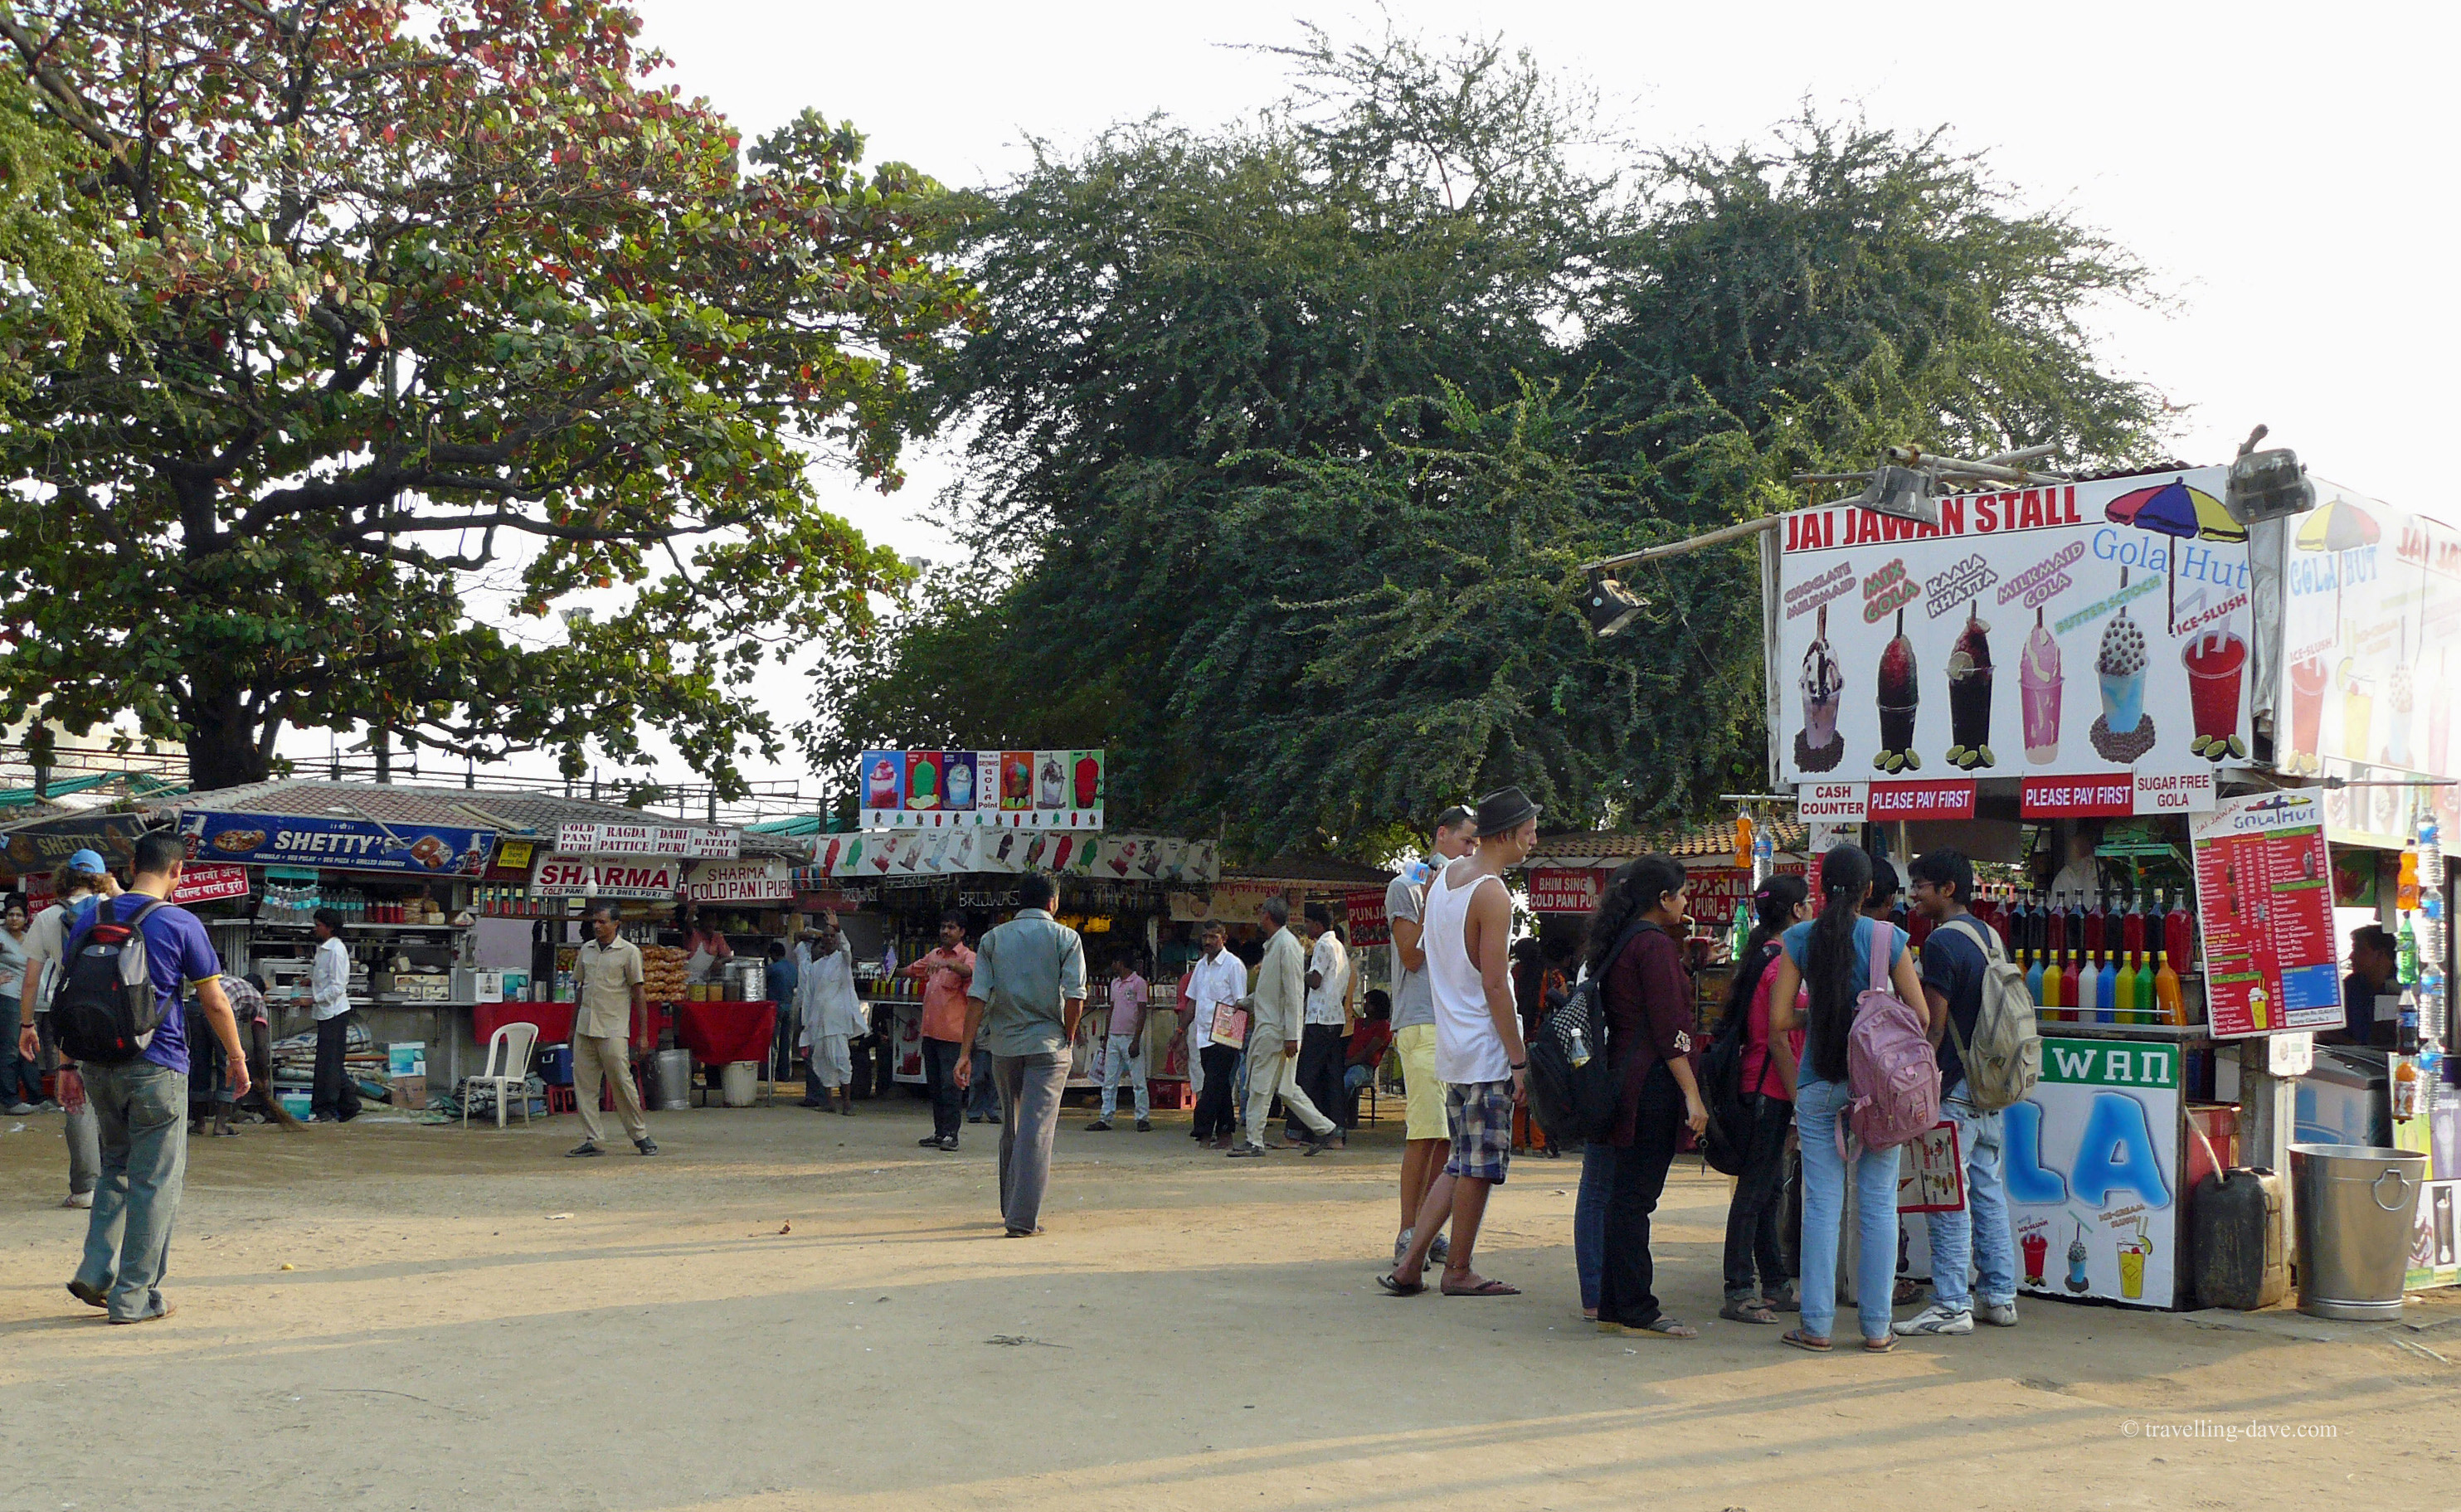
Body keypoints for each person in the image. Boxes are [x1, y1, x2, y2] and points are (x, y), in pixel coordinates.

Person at [32, 829, 247, 1323]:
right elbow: (214, 1000)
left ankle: (94, 1269)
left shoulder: (91, 915)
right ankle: (133, 1298)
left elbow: (69, 991)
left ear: (130, 865)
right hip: (158, 1066)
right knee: (155, 1182)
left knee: (116, 1170)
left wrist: (67, 1066)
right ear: (177, 872)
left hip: (98, 1066)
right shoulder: (181, 922)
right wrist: (237, 1059)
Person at [1767, 844, 1934, 1353]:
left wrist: (1817, 1017)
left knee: (1820, 1204)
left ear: (1820, 889)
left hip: (1819, 1084)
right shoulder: (1889, 938)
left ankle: (1816, 1326)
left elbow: (1778, 1022)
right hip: (1878, 1089)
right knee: (1879, 1202)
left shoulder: (1798, 938)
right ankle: (1877, 1328)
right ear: (1868, 891)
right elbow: (1921, 1016)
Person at [1384, 786, 1539, 1297]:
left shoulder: (1445, 878)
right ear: (1506, 835)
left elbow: (1436, 952)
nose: (1533, 840)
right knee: (1478, 1165)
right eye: (1528, 832)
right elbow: (1496, 984)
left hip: (1452, 1043)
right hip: (1484, 1047)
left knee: (1460, 1161)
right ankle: (1456, 1269)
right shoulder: (1492, 893)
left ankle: (1412, 1265)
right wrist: (1518, 1059)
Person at [1581, 854, 1710, 1338]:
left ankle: (1616, 1303)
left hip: (1625, 1078)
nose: (1686, 900)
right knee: (1636, 1200)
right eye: (1681, 892)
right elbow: (1670, 1030)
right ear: (1662, 898)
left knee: (1623, 1198)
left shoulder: (1623, 939)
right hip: (1651, 1084)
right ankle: (1637, 1306)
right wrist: (1693, 1096)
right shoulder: (1652, 945)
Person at [1895, 848, 2021, 1336]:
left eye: (1921, 885)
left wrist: (1919, 1079)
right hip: (1991, 1083)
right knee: (1987, 1189)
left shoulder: (1942, 943)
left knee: (1949, 1194)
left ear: (1947, 889)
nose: (1914, 895)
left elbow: (1932, 1025)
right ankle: (1998, 1295)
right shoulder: (1988, 935)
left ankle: (1951, 1303)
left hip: (1954, 1086)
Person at [956, 873, 1087, 1237]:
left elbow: (977, 997)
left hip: (1004, 1046)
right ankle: (1021, 1219)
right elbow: (1075, 996)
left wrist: (965, 1053)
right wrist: (1069, 1035)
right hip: (1048, 1045)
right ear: (1053, 902)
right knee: (1036, 1132)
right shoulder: (1066, 938)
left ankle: (1009, 1204)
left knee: (1012, 1128)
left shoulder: (993, 939)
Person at [1719, 874, 1811, 1324]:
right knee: (1755, 1192)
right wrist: (1798, 1097)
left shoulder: (1766, 957)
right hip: (1768, 1088)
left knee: (1768, 1189)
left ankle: (1773, 1283)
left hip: (1764, 1085)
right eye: (1807, 903)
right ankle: (1738, 1289)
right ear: (1796, 912)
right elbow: (1777, 1037)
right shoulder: (1780, 965)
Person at [1387, 806, 1474, 1267]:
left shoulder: (1465, 892)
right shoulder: (1407, 888)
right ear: (1442, 838)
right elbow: (1411, 956)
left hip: (1451, 1022)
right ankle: (1407, 1229)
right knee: (1424, 1132)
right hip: (1420, 1022)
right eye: (1465, 842)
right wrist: (1430, 898)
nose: (1470, 851)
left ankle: (1427, 1227)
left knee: (1446, 1135)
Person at [21, 853, 114, 1207]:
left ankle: (86, 1189)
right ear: (101, 878)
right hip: (116, 1011)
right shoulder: (116, 907)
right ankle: (119, 1181)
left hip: (70, 1012)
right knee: (116, 1089)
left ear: (65, 878)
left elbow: (31, 981)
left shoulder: (47, 916)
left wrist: (27, 1025)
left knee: (76, 1096)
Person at [1230, 896, 1340, 1158]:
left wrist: (1292, 1035)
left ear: (1267, 915)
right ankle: (1326, 1129)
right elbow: (1272, 991)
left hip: (1277, 1030)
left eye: (1261, 913)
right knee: (1287, 1089)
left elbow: (1293, 992)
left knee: (1259, 1086)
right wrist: (1245, 1002)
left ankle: (1254, 1141)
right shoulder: (1277, 946)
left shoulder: (1287, 946)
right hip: (1276, 1028)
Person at [568, 904, 655, 1157]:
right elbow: (580, 990)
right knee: (585, 1087)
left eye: (602, 922)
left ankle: (640, 1135)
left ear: (616, 924)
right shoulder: (586, 950)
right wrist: (572, 1027)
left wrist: (643, 1034)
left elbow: (639, 993)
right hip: (585, 1027)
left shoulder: (629, 952)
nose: (597, 926)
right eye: (595, 922)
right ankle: (594, 1140)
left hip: (613, 1028)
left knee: (622, 1083)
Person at [903, 912, 975, 1149]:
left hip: (954, 1036)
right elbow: (912, 970)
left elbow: (970, 972)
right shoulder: (934, 955)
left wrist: (948, 964)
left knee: (951, 1086)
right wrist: (886, 968)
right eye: (943, 927)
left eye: (951, 927)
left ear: (962, 932)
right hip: (931, 1033)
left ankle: (951, 1135)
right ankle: (939, 1132)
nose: (946, 931)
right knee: (934, 1086)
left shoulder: (968, 957)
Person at [1185, 921, 1246, 1149]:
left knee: (1211, 1085)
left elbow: (1241, 1004)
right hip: (1203, 1036)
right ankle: (1225, 1135)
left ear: (1224, 938)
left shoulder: (1233, 966)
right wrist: (1181, 1031)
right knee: (1219, 1086)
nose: (1208, 941)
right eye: (1205, 937)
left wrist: (1236, 1040)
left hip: (1225, 1036)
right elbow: (1192, 1001)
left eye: (1213, 937)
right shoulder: (1201, 966)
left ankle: (1202, 1132)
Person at [796, 915, 864, 1116]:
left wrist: (839, 928)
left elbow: (847, 949)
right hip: (818, 1022)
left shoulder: (842, 961)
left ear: (837, 939)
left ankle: (847, 1103)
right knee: (822, 1062)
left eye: (832, 936)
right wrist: (806, 1023)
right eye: (825, 936)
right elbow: (808, 997)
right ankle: (829, 1102)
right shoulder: (816, 967)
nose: (828, 939)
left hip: (837, 1023)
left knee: (841, 1061)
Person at [1293, 905, 1350, 1145]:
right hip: (1335, 1018)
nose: (1306, 928)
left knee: (1305, 1077)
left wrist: (1299, 973)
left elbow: (1315, 980)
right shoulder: (1339, 947)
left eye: (1307, 922)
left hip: (1319, 1017)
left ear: (1317, 924)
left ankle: (1294, 1132)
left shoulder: (1323, 946)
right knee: (1332, 1078)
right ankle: (1335, 1133)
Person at [304, 908, 361, 1123]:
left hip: (334, 1013)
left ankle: (325, 1110)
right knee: (332, 1063)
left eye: (319, 925)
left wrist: (313, 999)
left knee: (327, 1065)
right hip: (326, 1013)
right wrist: (311, 982)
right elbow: (326, 978)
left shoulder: (337, 950)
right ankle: (349, 1105)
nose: (316, 929)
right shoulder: (324, 949)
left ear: (330, 928)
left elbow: (338, 986)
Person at [1087, 951, 1150, 1132]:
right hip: (1115, 1037)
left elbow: (1142, 1012)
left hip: (1130, 1037)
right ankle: (1106, 1117)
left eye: (1114, 962)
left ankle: (1142, 1117)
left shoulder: (1139, 983)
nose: (1113, 966)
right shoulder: (1115, 984)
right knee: (1109, 1081)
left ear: (1120, 963)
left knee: (1138, 1081)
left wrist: (1136, 1040)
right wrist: (1107, 1037)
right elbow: (1111, 1010)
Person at [0, 897, 40, 1111]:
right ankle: (9, 1100)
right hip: (7, 998)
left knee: (29, 1047)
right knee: (10, 1050)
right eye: (10, 914)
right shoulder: (1, 937)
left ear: (26, 918)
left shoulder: (28, 938)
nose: (13, 919)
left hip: (26, 1000)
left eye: (18, 915)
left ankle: (36, 1097)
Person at [2331, 925, 2400, 1048]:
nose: (2351, 956)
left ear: (2381, 954)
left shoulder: (2405, 988)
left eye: (2359, 950)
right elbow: (2329, 1030)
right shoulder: (2352, 985)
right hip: (2356, 1059)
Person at [1344, 989, 1394, 1125]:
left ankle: (1339, 1113)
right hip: (1347, 1061)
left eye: (1368, 1003)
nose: (1365, 1006)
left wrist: (1348, 1063)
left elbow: (1368, 1053)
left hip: (1365, 1067)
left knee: (1349, 1080)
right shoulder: (1358, 1023)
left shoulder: (1384, 1027)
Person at [765, 940, 801, 1078]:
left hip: (775, 1007)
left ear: (773, 955)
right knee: (787, 1043)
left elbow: (761, 978)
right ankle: (786, 1074)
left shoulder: (773, 968)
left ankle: (771, 1074)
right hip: (790, 1006)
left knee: (774, 1042)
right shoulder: (793, 968)